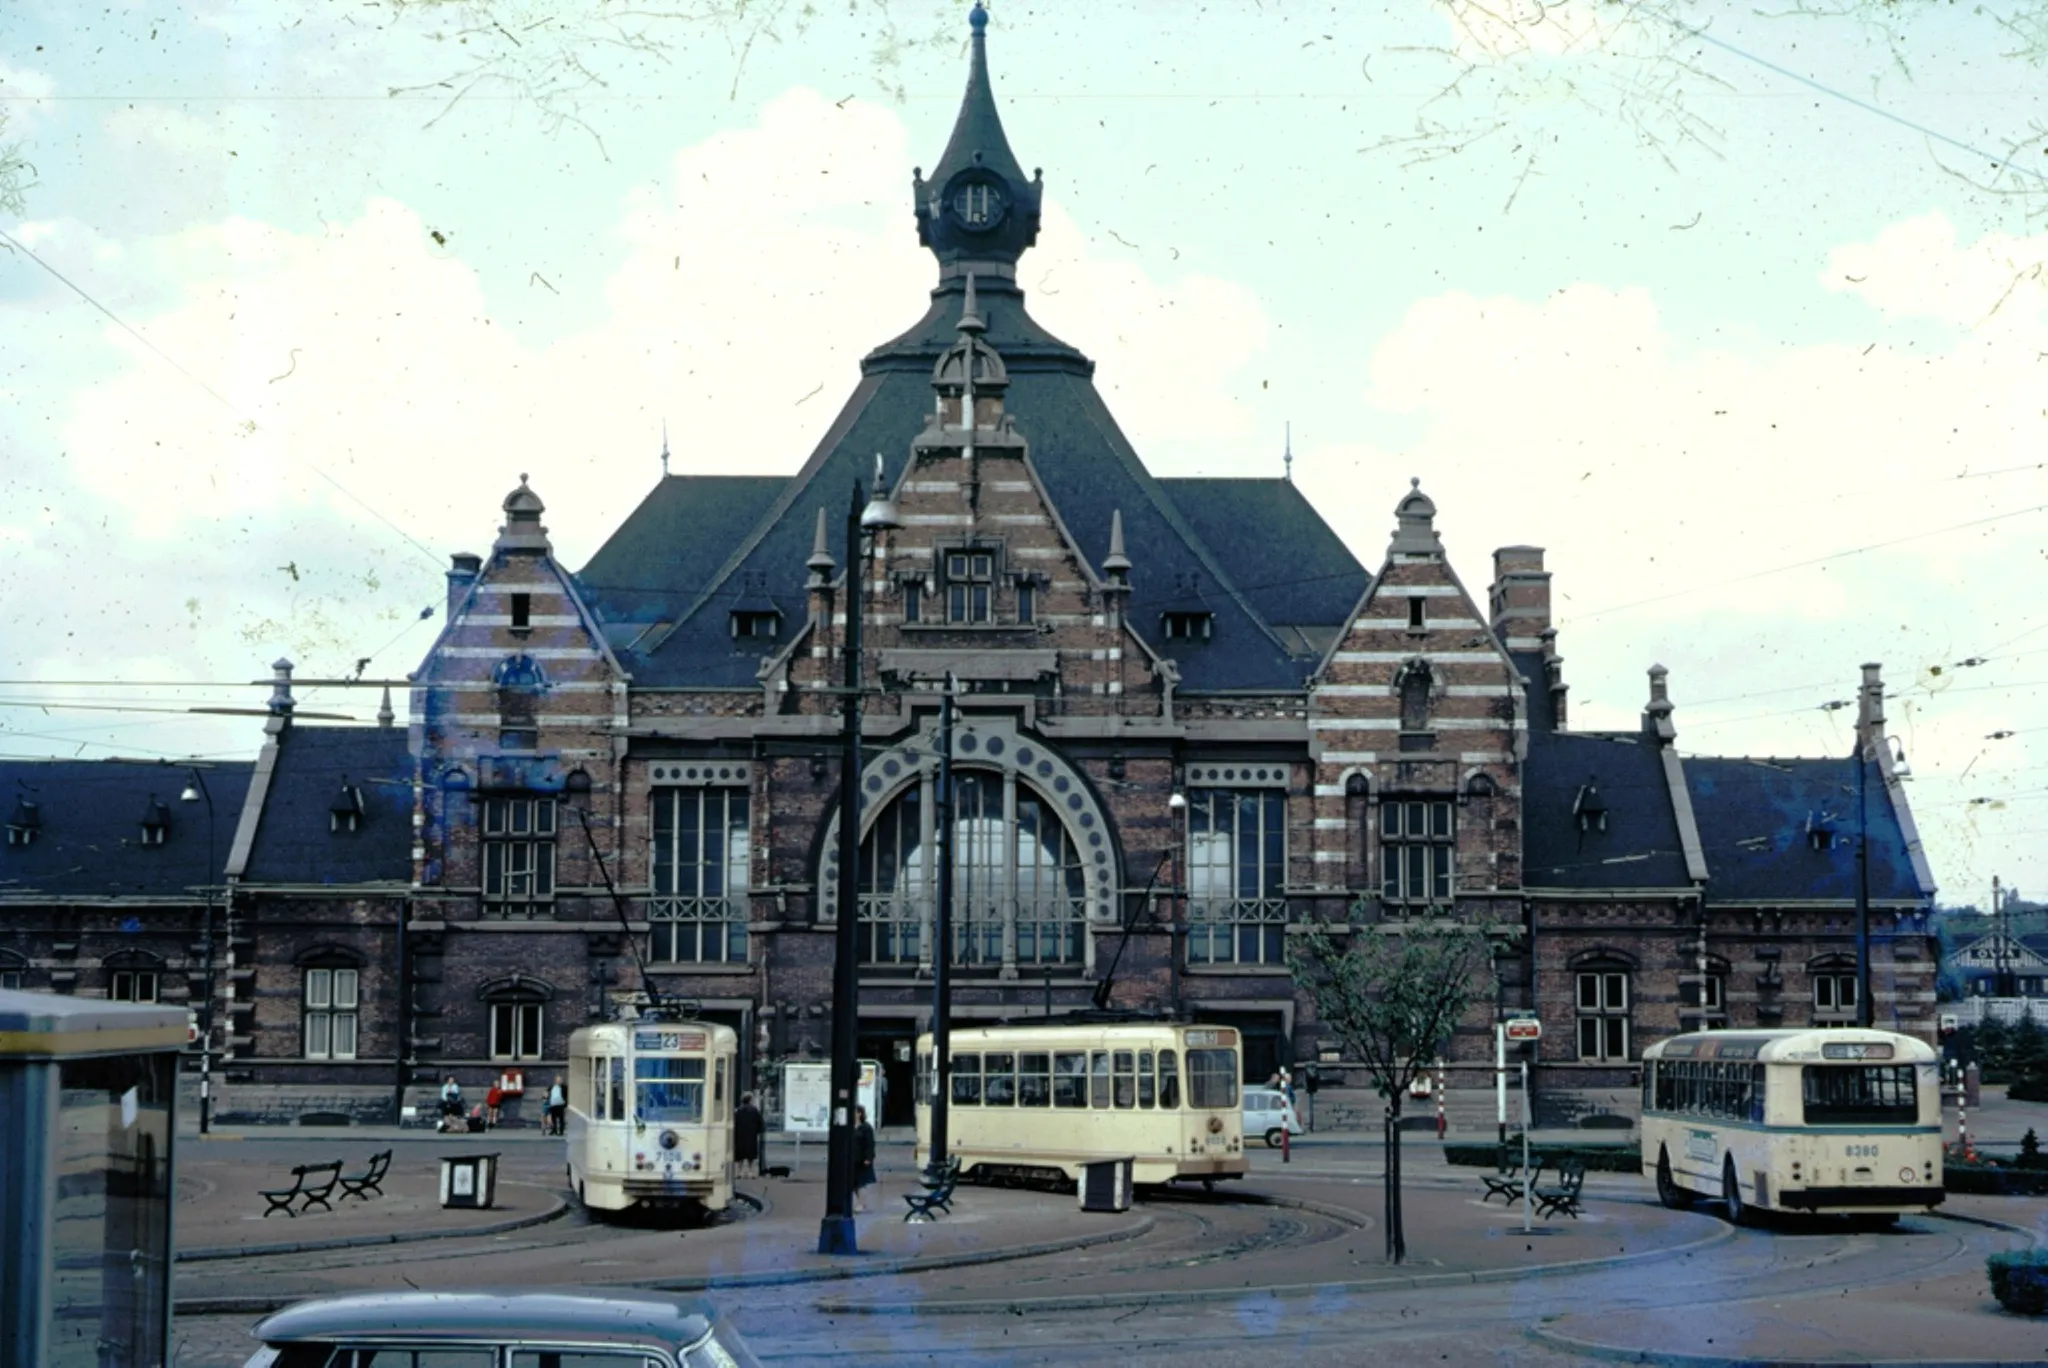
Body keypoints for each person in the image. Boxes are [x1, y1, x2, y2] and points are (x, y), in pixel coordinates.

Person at [852, 1104, 877, 1212]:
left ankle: (861, 1203)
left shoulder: (866, 1128)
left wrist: (868, 1158)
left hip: (862, 1160)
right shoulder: (851, 1126)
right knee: (854, 1184)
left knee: (862, 1183)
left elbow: (870, 1144)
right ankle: (859, 1202)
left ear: (859, 1113)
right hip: (853, 1160)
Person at [734, 1092, 764, 1179]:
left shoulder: (738, 1111)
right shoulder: (755, 1111)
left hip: (740, 1135)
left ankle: (739, 1172)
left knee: (740, 1155)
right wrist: (758, 1132)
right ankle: (751, 1172)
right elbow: (760, 1124)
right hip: (751, 1135)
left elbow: (735, 1123)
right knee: (751, 1156)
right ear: (750, 1100)